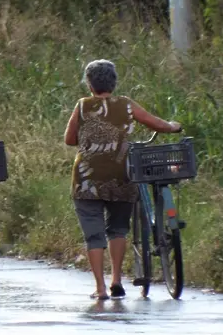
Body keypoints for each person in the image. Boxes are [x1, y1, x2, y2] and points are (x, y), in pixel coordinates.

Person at [64, 59, 181, 300]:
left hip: (87, 180)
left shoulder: (83, 106)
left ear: (89, 84)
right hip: (122, 177)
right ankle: (116, 279)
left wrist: (89, 141)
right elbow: (156, 124)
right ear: (114, 83)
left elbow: (69, 139)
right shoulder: (127, 105)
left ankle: (100, 288)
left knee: (93, 235)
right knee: (118, 229)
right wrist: (172, 126)